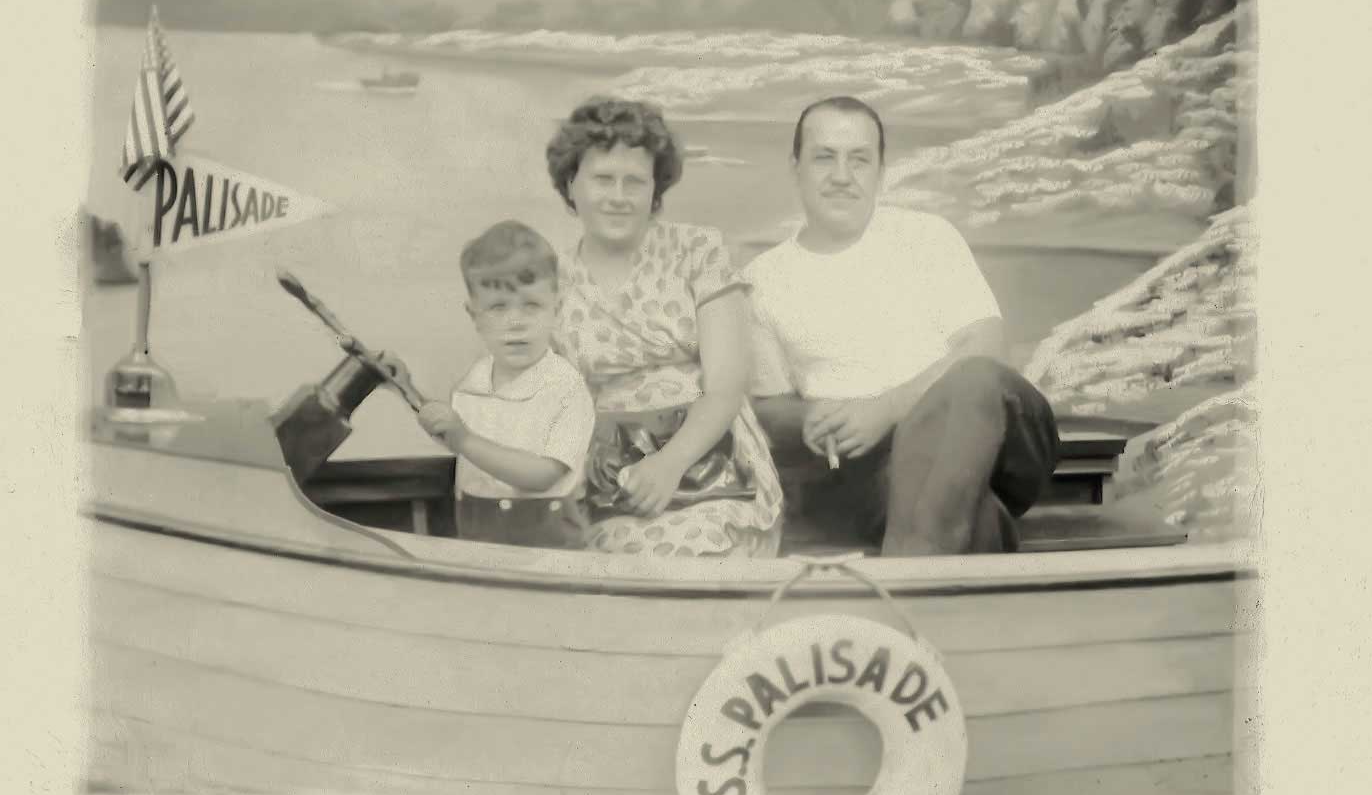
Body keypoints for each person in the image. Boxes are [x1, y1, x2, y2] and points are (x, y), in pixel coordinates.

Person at [744, 96, 1060, 556]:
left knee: (972, 380)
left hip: (996, 439)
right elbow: (769, 406)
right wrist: (812, 417)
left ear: (880, 172)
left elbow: (987, 347)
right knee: (965, 511)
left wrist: (886, 409)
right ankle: (946, 559)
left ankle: (912, 576)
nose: (842, 176)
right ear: (796, 168)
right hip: (877, 472)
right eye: (824, 157)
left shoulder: (927, 237)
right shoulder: (762, 279)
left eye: (859, 160)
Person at [546, 97, 783, 558]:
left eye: (635, 181)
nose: (618, 196)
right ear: (571, 184)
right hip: (608, 475)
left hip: (708, 464)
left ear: (655, 190)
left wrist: (669, 464)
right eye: (602, 179)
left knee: (685, 548)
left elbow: (727, 385)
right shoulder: (551, 281)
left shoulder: (697, 251)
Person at [413, 221, 597, 549]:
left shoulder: (566, 389)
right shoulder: (472, 383)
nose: (516, 322)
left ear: (556, 310)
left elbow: (543, 476)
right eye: (498, 307)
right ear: (475, 316)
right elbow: (457, 441)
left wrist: (464, 439)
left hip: (550, 545)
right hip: (478, 537)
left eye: (531, 305)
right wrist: (405, 388)